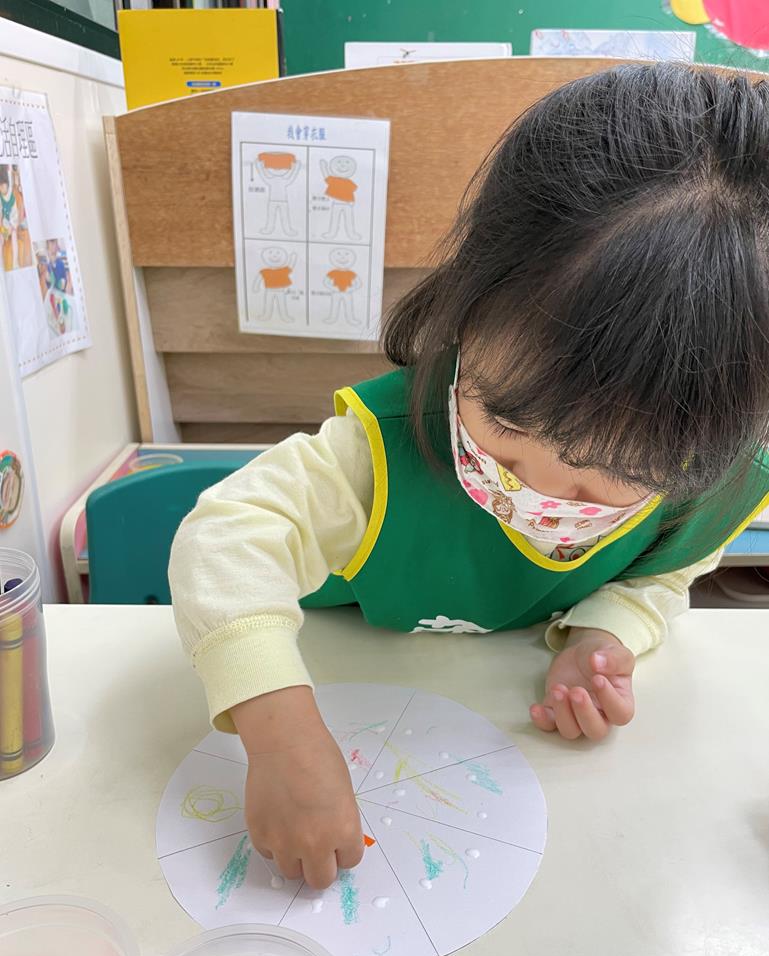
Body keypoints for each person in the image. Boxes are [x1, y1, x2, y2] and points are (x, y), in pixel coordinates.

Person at [170, 64, 769, 891]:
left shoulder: (719, 482)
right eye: (508, 427)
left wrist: (603, 634)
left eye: (615, 475)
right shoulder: (380, 453)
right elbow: (224, 538)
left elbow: (662, 576)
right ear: (465, 309)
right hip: (348, 671)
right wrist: (278, 732)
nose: (543, 489)